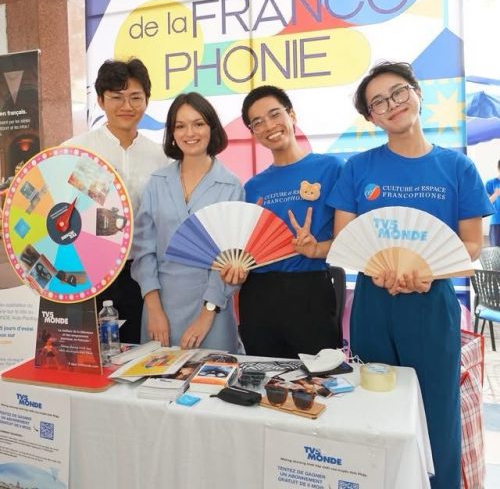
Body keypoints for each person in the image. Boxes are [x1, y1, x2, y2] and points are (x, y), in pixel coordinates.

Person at [326, 62, 493, 489]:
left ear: (417, 93)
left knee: (438, 411)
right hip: (372, 302)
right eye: (378, 102)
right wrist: (379, 271)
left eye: (398, 92)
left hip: (432, 301)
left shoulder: (457, 168)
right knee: (374, 407)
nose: (392, 105)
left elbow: (472, 243)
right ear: (371, 118)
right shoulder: (357, 168)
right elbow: (347, 240)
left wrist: (427, 268)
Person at [222, 85, 344, 359]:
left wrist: (317, 248)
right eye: (258, 122)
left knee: (320, 382)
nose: (269, 126)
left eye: (275, 114)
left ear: (292, 115)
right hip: (258, 295)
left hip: (310, 290)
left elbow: (350, 240)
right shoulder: (252, 187)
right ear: (253, 133)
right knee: (264, 379)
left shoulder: (331, 169)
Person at [63, 58, 168, 344]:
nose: (127, 106)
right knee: (90, 350)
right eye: (116, 97)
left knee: (141, 350)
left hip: (142, 274)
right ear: (100, 101)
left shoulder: (160, 156)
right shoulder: (76, 150)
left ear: (147, 101)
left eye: (136, 97)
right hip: (88, 273)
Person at [131, 92, 243, 352]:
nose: (189, 133)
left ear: (211, 128)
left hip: (211, 309)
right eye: (180, 126)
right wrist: (154, 308)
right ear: (171, 133)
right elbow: (143, 250)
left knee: (211, 387)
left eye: (198, 123)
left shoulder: (230, 185)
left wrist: (207, 315)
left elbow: (231, 258)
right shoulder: (157, 182)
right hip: (159, 306)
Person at [485, 160, 500, 246]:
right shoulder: (491, 183)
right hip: (496, 222)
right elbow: (485, 204)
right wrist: (496, 194)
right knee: (496, 252)